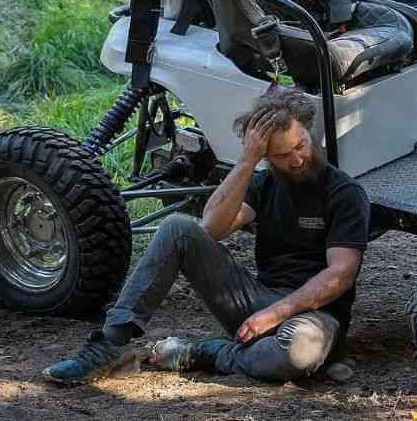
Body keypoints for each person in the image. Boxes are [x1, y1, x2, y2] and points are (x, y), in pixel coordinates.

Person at [42, 88, 371, 384]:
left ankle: (206, 353)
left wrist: (276, 313)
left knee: (296, 353)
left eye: (301, 145)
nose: (297, 158)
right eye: (283, 155)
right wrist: (245, 162)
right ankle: (109, 345)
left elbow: (339, 275)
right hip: (255, 304)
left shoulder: (343, 193)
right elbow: (211, 229)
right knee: (177, 228)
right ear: (267, 156)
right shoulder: (263, 183)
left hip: (313, 318)